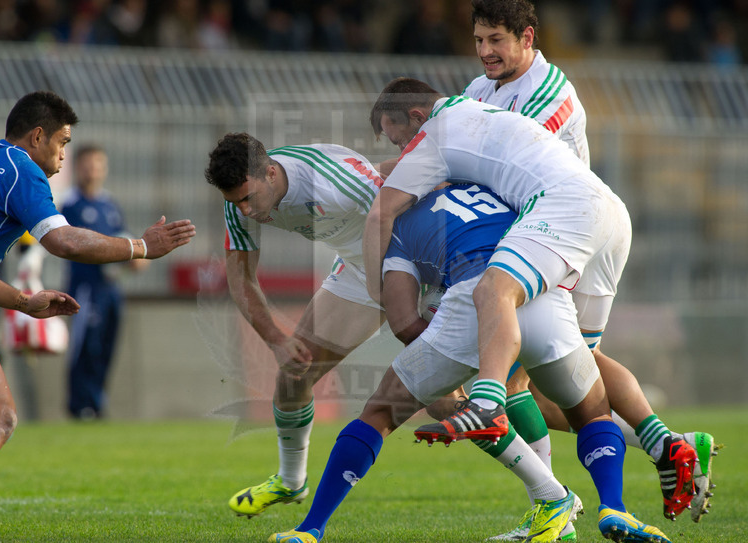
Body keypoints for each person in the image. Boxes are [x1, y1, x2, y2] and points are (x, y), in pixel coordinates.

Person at [270, 184, 668, 543]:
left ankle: (309, 531)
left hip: (476, 297)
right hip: (543, 289)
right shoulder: (491, 192)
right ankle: (614, 503)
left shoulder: (395, 230)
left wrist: (440, 363)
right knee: (589, 409)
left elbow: (404, 320)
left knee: (381, 411)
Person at [363, 77, 669, 542]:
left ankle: (493, 412)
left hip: (563, 211)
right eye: (480, 39)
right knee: (581, 378)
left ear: (417, 119)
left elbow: (380, 211)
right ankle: (650, 464)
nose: (405, 151)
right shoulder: (480, 104)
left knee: (493, 296)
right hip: (604, 213)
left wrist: (374, 288)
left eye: (400, 139)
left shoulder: (448, 131)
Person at [460, 0, 715, 529]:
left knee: (538, 380)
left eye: (496, 41)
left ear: (527, 37)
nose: (485, 52)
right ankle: (668, 446)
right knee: (565, 374)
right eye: (479, 40)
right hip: (560, 232)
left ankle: (554, 511)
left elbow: (498, 169)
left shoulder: (548, 94)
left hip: (572, 234)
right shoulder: (480, 90)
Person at [0, 90, 195, 542]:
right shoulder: (21, 168)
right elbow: (65, 243)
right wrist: (141, 247)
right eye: (62, 142)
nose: (64, 154)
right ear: (38, 136)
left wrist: (23, 302)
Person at [206, 133, 407, 517]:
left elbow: (407, 204)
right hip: (358, 269)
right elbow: (241, 278)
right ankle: (290, 481)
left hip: (413, 263)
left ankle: (549, 495)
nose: (244, 211)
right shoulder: (240, 201)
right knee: (293, 376)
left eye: (248, 198)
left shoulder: (334, 182)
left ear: (270, 173)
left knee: (449, 404)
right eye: (235, 202)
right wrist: (277, 340)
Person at [61, 144, 149, 419]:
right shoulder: (71, 204)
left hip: (111, 288)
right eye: (87, 164)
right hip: (86, 288)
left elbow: (123, 240)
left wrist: (136, 257)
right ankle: (80, 405)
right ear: (77, 167)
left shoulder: (109, 204)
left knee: (107, 346)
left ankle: (96, 403)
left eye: (98, 163)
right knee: (86, 345)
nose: (93, 169)